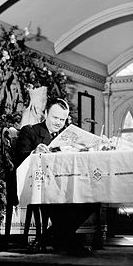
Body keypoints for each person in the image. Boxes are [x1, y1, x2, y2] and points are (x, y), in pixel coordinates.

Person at [15, 97, 95, 256]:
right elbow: (20, 159)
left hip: (65, 182)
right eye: (55, 117)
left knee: (93, 200)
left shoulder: (68, 135)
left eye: (63, 119)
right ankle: (67, 241)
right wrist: (35, 153)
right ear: (45, 113)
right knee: (58, 199)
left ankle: (47, 239)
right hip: (39, 185)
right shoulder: (30, 131)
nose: (59, 122)